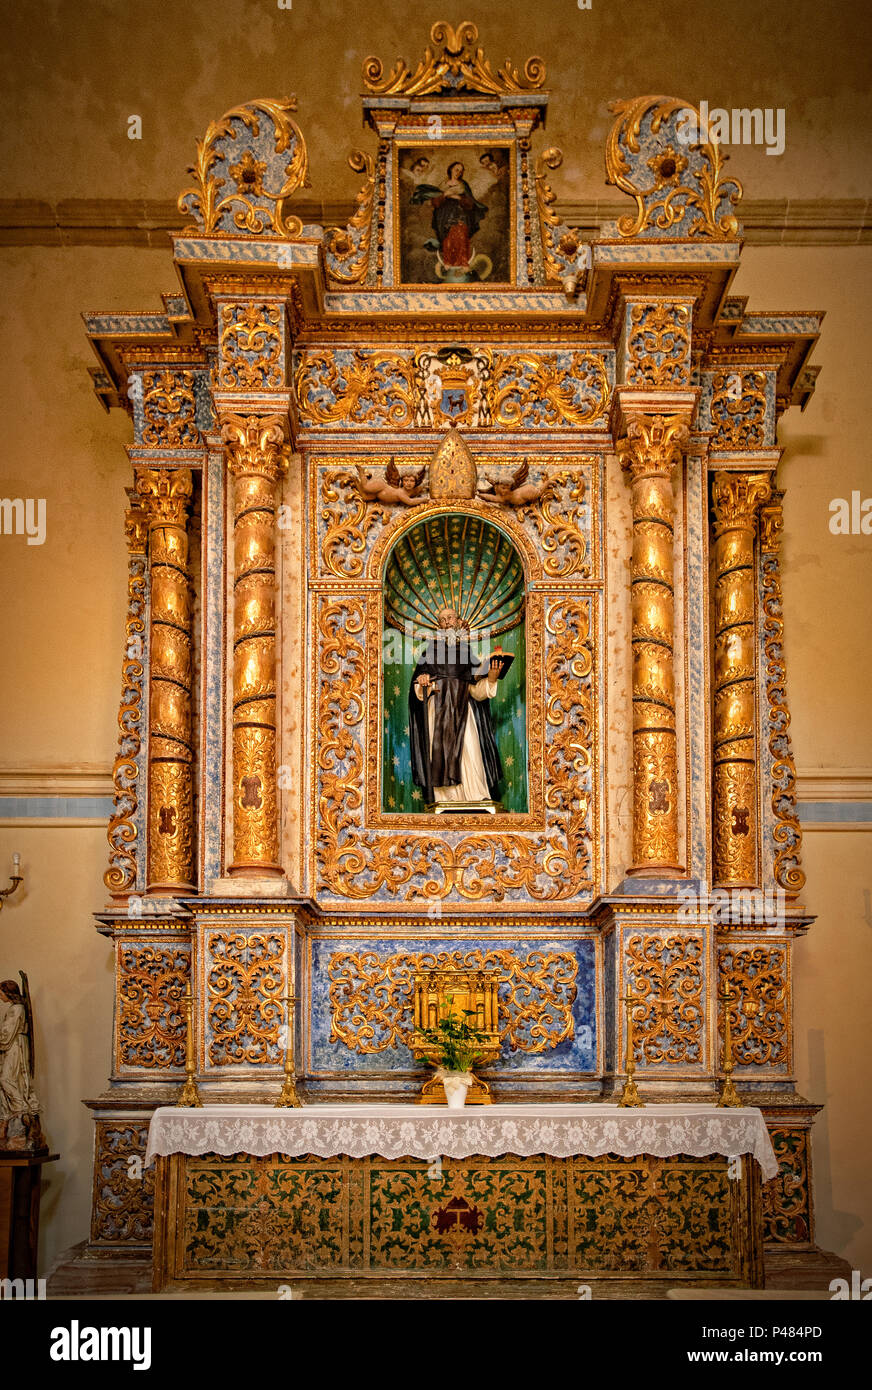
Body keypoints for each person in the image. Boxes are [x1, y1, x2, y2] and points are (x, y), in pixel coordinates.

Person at [408, 608, 504, 807]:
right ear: (439, 627)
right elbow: (417, 691)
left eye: (450, 617)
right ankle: (445, 801)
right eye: (442, 620)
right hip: (439, 715)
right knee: (440, 754)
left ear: (459, 621)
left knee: (471, 753)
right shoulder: (429, 654)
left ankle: (475, 797)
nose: (447, 622)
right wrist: (425, 682)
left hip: (463, 714)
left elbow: (476, 693)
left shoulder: (467, 655)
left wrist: (492, 679)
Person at [411, 161, 488, 269]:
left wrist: (458, 198)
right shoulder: (443, 184)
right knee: (448, 239)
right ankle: (448, 261)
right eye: (457, 170)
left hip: (461, 215)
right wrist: (445, 195)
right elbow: (435, 202)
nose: (458, 173)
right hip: (445, 216)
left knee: (461, 235)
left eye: (461, 171)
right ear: (451, 169)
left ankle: (463, 262)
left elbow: (470, 203)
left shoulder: (463, 185)